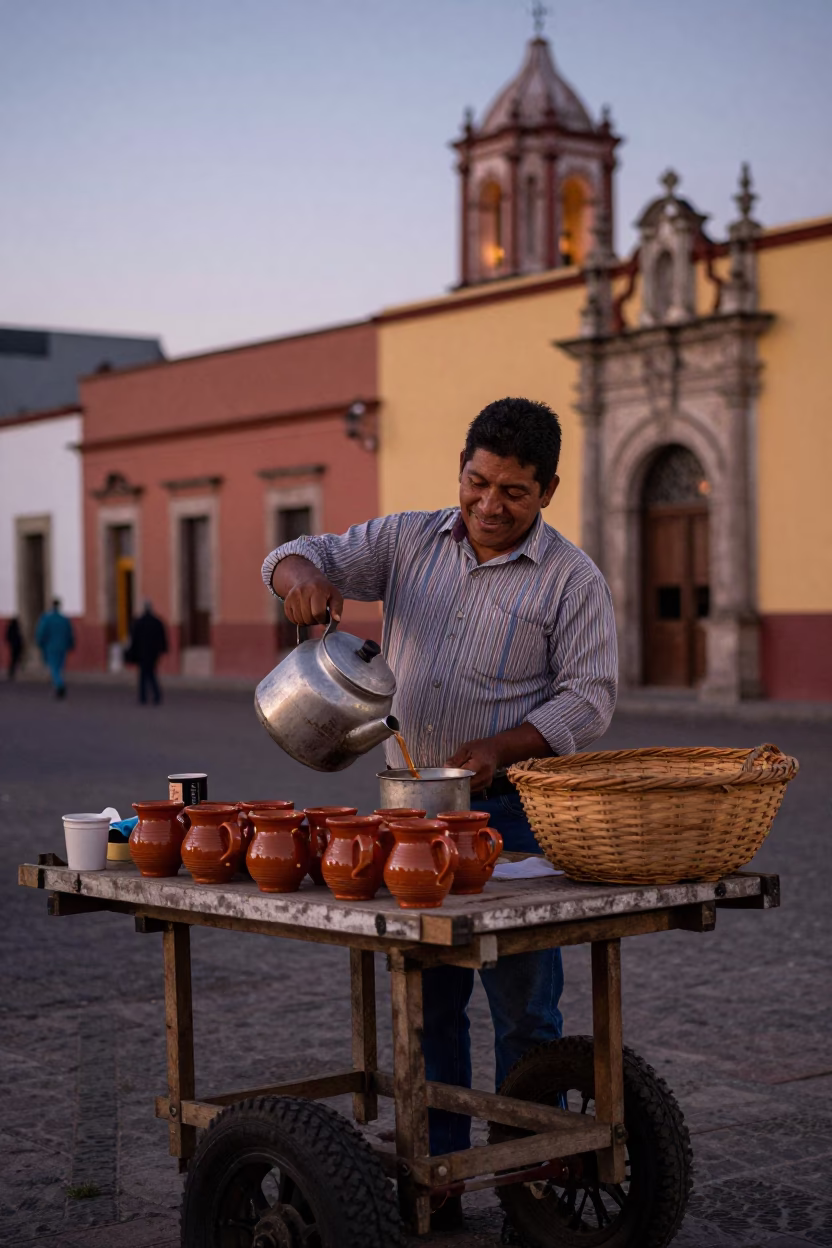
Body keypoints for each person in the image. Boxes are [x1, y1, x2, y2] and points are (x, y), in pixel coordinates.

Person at [261, 396, 618, 1230]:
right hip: (408, 815)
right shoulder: (406, 541)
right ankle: (440, 1176)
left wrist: (504, 746)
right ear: (461, 469)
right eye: (478, 483)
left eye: (515, 492)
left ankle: (529, 1178)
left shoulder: (571, 579)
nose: (490, 505)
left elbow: (591, 699)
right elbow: (297, 549)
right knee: (428, 1000)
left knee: (526, 1006)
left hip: (511, 819)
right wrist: (300, 576)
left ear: (549, 491)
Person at [126, 602, 168, 705]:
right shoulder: (157, 622)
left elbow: (134, 640)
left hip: (142, 653)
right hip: (153, 653)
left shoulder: (138, 623)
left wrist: (132, 652)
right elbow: (162, 638)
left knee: (144, 675)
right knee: (151, 673)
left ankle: (144, 697)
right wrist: (162, 650)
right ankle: (155, 695)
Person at [35, 599, 75, 699]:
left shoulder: (46, 619)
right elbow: (70, 633)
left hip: (50, 647)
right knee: (60, 666)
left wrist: (40, 643)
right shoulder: (64, 619)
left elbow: (41, 633)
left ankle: (59, 685)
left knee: (54, 668)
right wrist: (70, 644)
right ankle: (59, 683)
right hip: (62, 646)